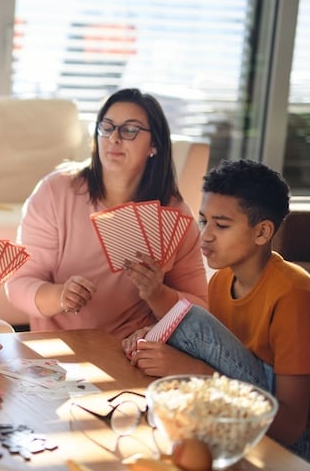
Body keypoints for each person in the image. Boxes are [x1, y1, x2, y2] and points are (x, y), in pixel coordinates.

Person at [124, 159, 310, 460]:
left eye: (221, 225)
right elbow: (221, 356)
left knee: (191, 319)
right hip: (236, 420)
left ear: (262, 233)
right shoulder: (222, 280)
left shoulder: (295, 295)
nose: (205, 235)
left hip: (292, 446)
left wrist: (191, 369)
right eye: (203, 221)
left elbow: (290, 427)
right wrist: (158, 338)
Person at [5, 88, 208, 339]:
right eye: (107, 127)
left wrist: (158, 294)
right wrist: (61, 295)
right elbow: (17, 285)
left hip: (132, 348)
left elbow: (201, 309)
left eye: (130, 130)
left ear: (154, 144)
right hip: (60, 349)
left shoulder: (174, 213)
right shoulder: (55, 191)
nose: (114, 138)